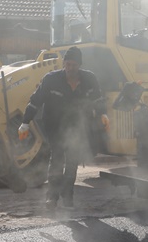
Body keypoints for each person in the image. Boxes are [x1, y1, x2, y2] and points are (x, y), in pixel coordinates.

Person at [18, 46, 108, 211]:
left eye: (74, 65)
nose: (70, 68)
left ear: (79, 65)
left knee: (72, 161)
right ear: (64, 63)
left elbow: (98, 99)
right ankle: (52, 197)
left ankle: (68, 196)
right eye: (68, 64)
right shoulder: (51, 79)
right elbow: (35, 101)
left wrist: (103, 114)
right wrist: (25, 122)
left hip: (78, 125)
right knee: (57, 158)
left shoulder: (90, 79)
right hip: (54, 125)